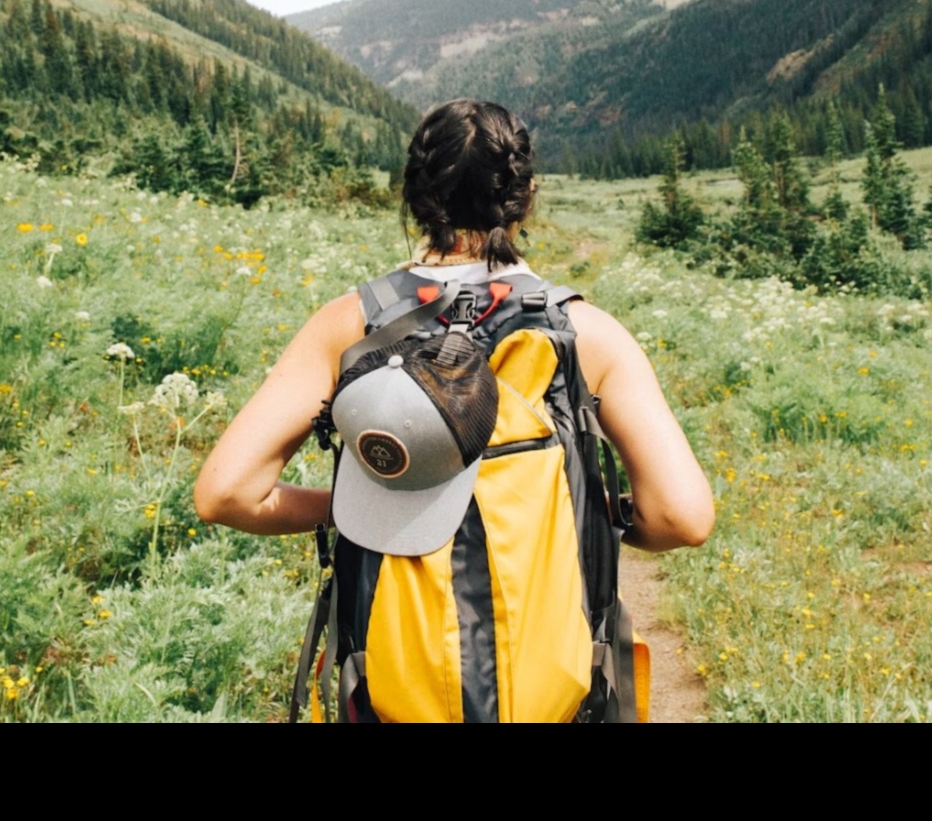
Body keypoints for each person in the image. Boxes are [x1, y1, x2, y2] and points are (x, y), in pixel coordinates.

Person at [194, 98, 713, 555]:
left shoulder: (350, 323)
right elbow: (681, 518)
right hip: (550, 662)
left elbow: (227, 494)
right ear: (526, 197)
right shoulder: (586, 331)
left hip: (389, 659)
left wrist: (354, 511)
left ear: (415, 199)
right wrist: (582, 513)